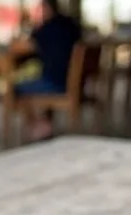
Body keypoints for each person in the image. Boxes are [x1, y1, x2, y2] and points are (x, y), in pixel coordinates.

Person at [12, 0, 82, 140]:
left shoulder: (46, 28)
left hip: (55, 82)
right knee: (39, 78)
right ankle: (45, 122)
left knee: (16, 88)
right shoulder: (72, 25)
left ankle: (38, 125)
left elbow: (21, 48)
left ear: (46, 8)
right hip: (76, 82)